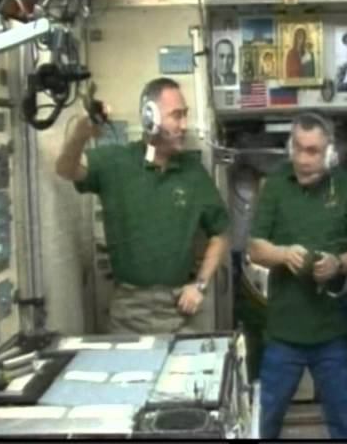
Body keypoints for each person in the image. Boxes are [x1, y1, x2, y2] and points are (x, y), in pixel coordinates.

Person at [56, 78, 230, 334]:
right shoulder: (117, 162)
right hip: (128, 312)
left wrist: (200, 285)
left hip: (179, 311)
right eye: (176, 116)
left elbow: (221, 233)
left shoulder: (193, 172)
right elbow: (65, 169)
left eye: (185, 115)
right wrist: (80, 135)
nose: (184, 125)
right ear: (150, 117)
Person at [248, 112, 347, 439]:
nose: (303, 159)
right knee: (263, 423)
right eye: (298, 149)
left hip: (332, 333)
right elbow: (255, 248)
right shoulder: (275, 185)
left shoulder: (345, 186)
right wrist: (283, 254)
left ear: (329, 153)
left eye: (313, 151)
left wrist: (338, 264)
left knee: (346, 425)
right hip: (284, 333)